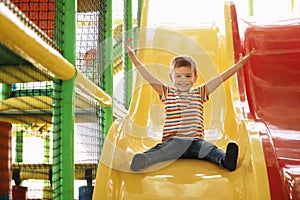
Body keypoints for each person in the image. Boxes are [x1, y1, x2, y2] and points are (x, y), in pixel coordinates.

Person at [125, 38, 256, 172]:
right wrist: (133, 58)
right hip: (173, 143)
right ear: (171, 78)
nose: (183, 80)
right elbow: (148, 77)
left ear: (195, 78)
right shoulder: (167, 93)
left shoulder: (200, 92)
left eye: (188, 76)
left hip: (195, 143)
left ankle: (225, 161)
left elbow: (220, 78)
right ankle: (142, 160)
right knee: (159, 151)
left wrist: (239, 65)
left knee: (211, 150)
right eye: (178, 76)